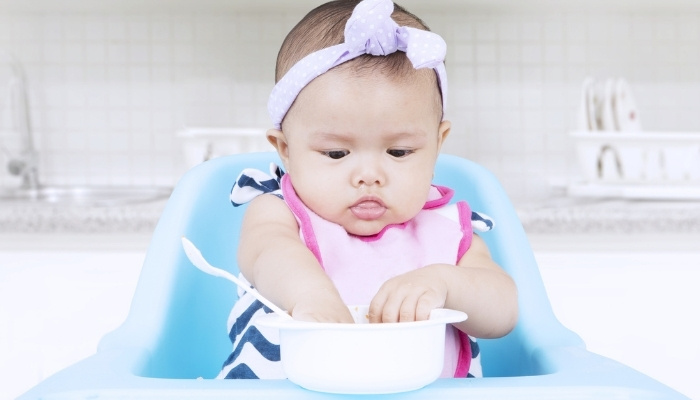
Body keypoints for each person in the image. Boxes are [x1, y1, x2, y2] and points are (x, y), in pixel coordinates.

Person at [217, 0, 518, 380]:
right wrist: (310, 296)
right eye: (337, 153)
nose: (369, 175)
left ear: (438, 143)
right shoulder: (277, 212)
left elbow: (503, 310)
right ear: (285, 150)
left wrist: (445, 283)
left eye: (399, 151)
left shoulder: (449, 231)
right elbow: (268, 255)